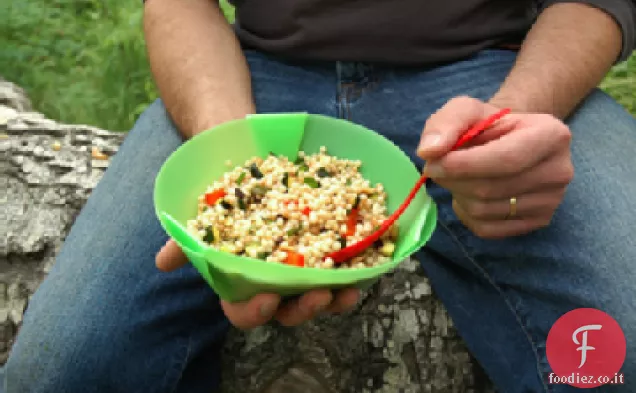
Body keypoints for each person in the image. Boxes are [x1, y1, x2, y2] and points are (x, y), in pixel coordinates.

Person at [3, 0, 636, 392]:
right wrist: (241, 172)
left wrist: (511, 121)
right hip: (246, 79)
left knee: (618, 353)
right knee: (60, 372)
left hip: (493, 75)